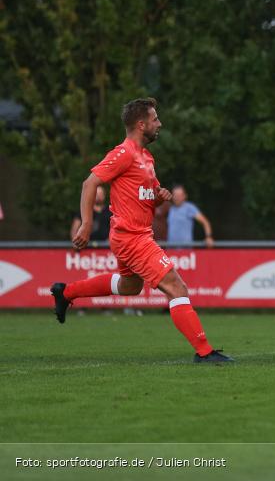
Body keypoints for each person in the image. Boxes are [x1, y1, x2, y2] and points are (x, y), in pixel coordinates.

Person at [52, 98, 233, 363]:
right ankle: (204, 352)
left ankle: (65, 292)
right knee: (176, 287)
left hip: (134, 235)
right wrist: (87, 224)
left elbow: (147, 197)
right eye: (155, 119)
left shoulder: (146, 157)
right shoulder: (124, 153)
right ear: (141, 124)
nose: (159, 123)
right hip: (131, 236)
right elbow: (89, 184)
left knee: (130, 286)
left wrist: (159, 197)